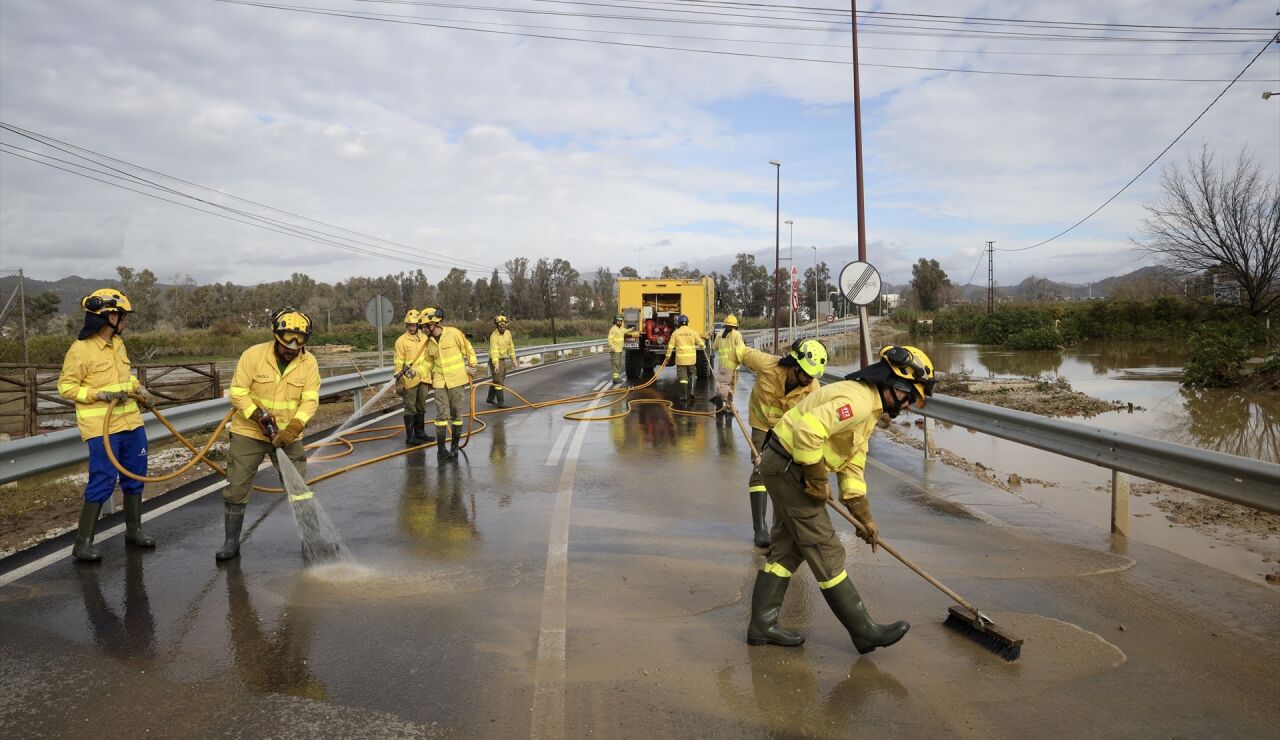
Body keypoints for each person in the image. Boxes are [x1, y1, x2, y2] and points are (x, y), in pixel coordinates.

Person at [747, 345, 936, 654]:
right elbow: (808, 432)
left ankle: (761, 625)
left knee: (786, 550)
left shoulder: (870, 410)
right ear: (896, 386)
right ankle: (863, 631)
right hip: (787, 466)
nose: (908, 406)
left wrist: (863, 515)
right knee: (826, 549)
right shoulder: (858, 402)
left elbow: (851, 464)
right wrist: (817, 479)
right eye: (909, 397)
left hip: (786, 465)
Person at [58, 289, 155, 561]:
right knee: (102, 479)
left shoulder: (118, 345)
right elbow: (66, 388)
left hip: (131, 423)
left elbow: (126, 378)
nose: (125, 320)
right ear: (107, 316)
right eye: (121, 315)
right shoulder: (80, 350)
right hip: (102, 427)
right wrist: (97, 395)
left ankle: (134, 531)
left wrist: (141, 389)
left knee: (135, 476)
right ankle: (83, 543)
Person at [218, 308, 322, 561]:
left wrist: (294, 428)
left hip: (287, 436)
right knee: (237, 486)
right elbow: (238, 392)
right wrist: (257, 416)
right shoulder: (253, 356)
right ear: (276, 336)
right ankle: (231, 542)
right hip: (249, 432)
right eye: (287, 341)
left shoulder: (309, 362)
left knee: (299, 487)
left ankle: (312, 543)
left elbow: (310, 400)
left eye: (299, 342)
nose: (292, 347)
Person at [733, 338, 825, 548]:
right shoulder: (767, 364)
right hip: (762, 425)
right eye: (806, 375)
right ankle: (760, 530)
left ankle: (781, 530)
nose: (809, 380)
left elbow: (816, 421)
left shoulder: (813, 388)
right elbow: (737, 352)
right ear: (794, 365)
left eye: (812, 376)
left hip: (787, 433)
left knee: (786, 478)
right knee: (760, 471)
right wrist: (724, 382)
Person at [422, 308, 477, 461]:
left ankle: (454, 447)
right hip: (440, 382)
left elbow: (468, 349)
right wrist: (417, 372)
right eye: (422, 327)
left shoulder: (453, 333)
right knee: (441, 415)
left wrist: (472, 365)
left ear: (434, 323)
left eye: (425, 327)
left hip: (457, 380)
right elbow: (428, 362)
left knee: (456, 415)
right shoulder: (429, 343)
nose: (423, 330)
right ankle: (441, 449)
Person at [394, 309, 432, 446]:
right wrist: (399, 380)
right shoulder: (401, 341)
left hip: (424, 377)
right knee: (410, 408)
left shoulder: (425, 338)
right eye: (409, 325)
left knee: (421, 406)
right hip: (409, 380)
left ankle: (420, 433)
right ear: (406, 325)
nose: (411, 327)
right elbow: (398, 361)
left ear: (418, 325)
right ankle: (410, 438)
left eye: (414, 325)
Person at [664, 314, 704, 402]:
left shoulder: (676, 333)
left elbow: (670, 346)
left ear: (679, 323)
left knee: (683, 378)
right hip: (691, 360)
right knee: (693, 375)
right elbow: (701, 343)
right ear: (687, 323)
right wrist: (703, 346)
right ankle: (692, 392)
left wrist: (668, 356)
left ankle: (685, 396)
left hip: (681, 360)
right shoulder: (693, 332)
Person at [712, 314, 745, 414]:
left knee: (722, 386)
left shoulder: (719, 334)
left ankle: (720, 407)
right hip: (733, 366)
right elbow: (742, 349)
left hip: (723, 366)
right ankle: (729, 407)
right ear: (735, 325)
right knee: (730, 387)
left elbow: (714, 347)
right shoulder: (737, 334)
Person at [487, 314, 516, 408]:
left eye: (504, 326)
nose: (502, 328)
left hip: (502, 359)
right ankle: (501, 403)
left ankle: (490, 398)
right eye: (500, 327)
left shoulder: (508, 333)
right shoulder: (493, 336)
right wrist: (495, 365)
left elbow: (511, 347)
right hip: (495, 359)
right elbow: (494, 351)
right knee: (499, 382)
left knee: (498, 380)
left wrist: (514, 360)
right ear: (497, 326)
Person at [607, 313, 629, 384]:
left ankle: (617, 378)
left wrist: (631, 329)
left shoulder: (620, 329)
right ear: (615, 321)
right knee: (616, 364)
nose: (619, 322)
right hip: (614, 350)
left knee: (618, 364)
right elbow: (609, 338)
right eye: (618, 321)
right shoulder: (613, 329)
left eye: (620, 321)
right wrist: (611, 346)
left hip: (619, 350)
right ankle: (615, 379)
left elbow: (625, 330)